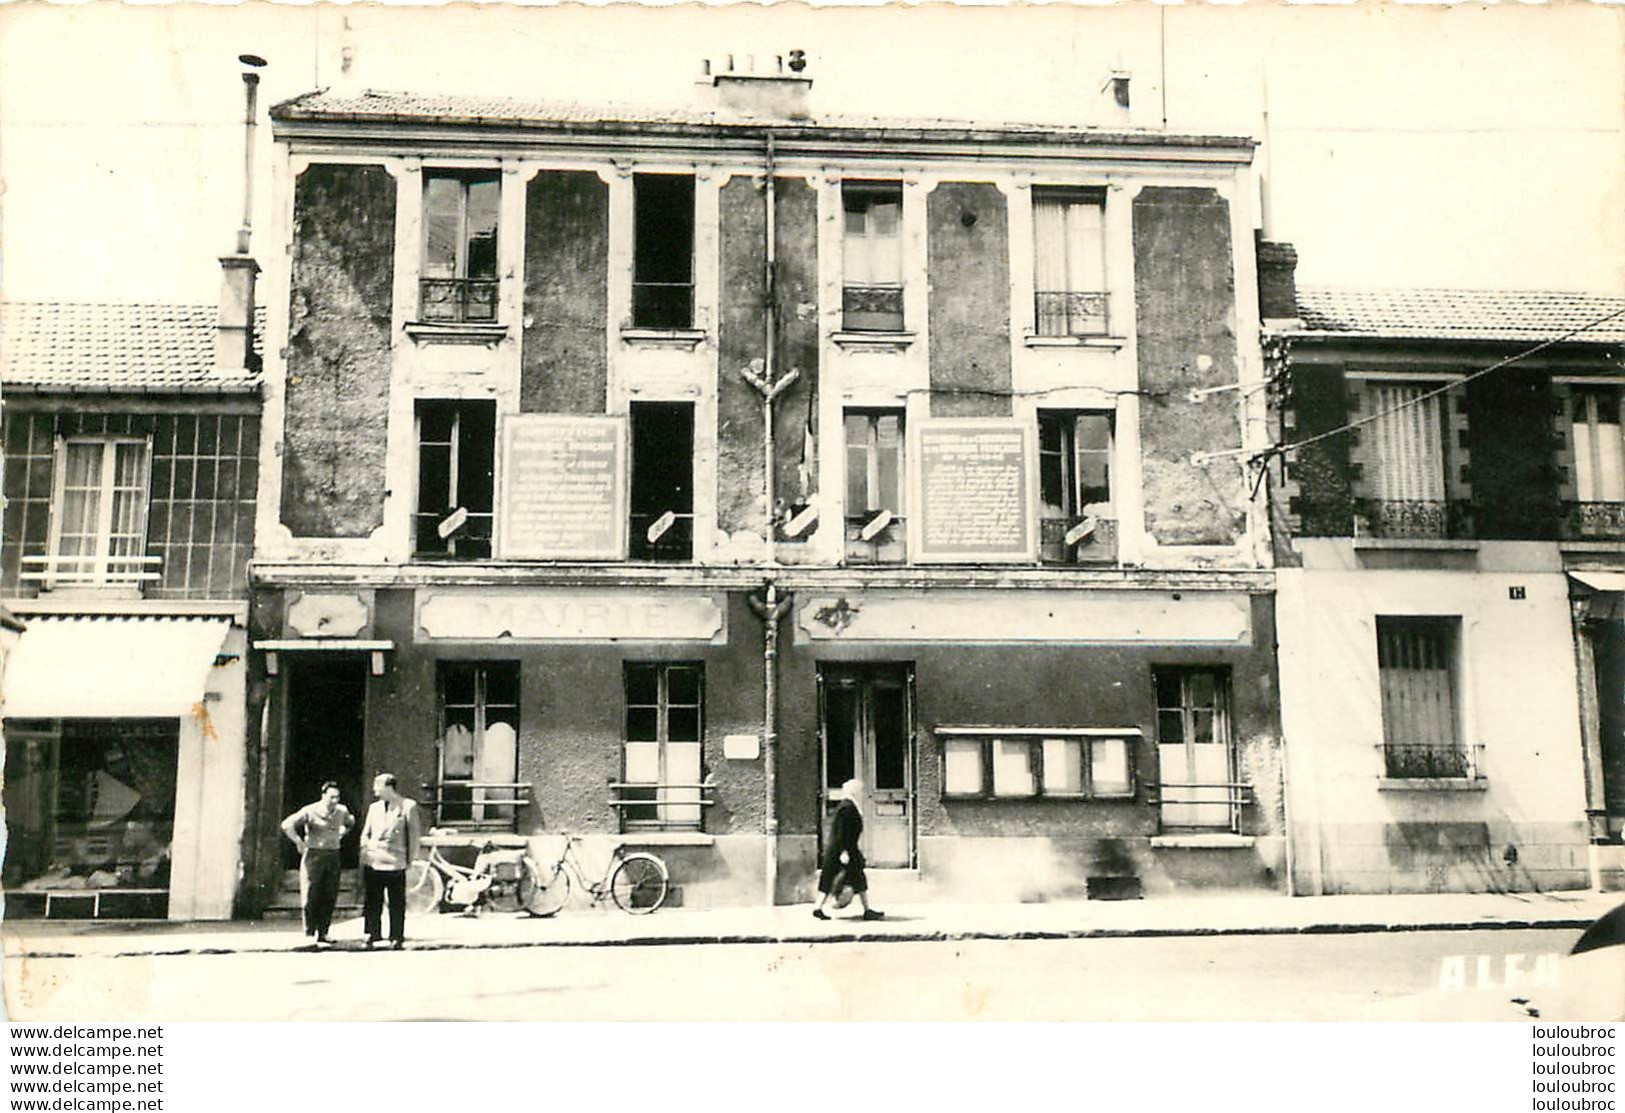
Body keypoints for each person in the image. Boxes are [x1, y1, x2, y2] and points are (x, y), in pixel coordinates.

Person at [280, 781, 354, 949]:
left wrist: (343, 832)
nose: (335, 800)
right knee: (311, 894)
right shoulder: (310, 810)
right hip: (314, 855)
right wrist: (298, 841)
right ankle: (309, 932)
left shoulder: (341, 811)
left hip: (333, 854)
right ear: (323, 796)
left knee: (329, 894)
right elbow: (287, 824)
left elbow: (351, 822)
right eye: (331, 797)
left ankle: (324, 932)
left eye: (337, 797)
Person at [358, 773, 423, 950]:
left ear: (388, 787)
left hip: (396, 861)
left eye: (377, 786)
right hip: (373, 860)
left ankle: (396, 936)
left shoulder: (407, 806)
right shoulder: (374, 808)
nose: (374, 790)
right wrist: (365, 850)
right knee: (372, 901)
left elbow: (413, 836)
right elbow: (366, 832)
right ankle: (372, 934)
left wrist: (409, 860)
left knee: (396, 902)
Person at [813, 778, 883, 921]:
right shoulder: (847, 807)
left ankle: (819, 908)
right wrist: (844, 852)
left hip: (844, 848)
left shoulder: (849, 805)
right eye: (860, 790)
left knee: (852, 878)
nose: (862, 793)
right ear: (854, 791)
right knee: (834, 877)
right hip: (843, 849)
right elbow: (841, 832)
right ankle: (819, 908)